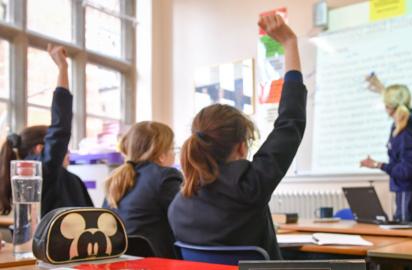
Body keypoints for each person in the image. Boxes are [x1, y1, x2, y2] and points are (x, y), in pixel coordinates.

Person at [168, 14, 307, 260]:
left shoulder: (178, 205)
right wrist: (290, 44)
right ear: (241, 148)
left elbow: (289, 123)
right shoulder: (251, 185)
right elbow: (290, 122)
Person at [0, 44, 93, 216]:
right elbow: (60, 127)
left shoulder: (69, 179)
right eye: (64, 147)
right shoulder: (41, 172)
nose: (68, 151)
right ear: (40, 148)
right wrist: (63, 68)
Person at [103, 121, 182, 258]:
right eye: (172, 148)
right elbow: (183, 221)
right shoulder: (166, 176)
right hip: (157, 262)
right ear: (161, 155)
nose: (174, 154)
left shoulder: (116, 179)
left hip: (121, 260)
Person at [360, 73, 412, 222]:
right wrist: (379, 87)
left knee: (408, 241)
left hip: (410, 193)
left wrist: (378, 165)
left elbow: (408, 171)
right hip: (408, 192)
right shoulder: (407, 124)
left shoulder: (405, 133)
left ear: (389, 106)